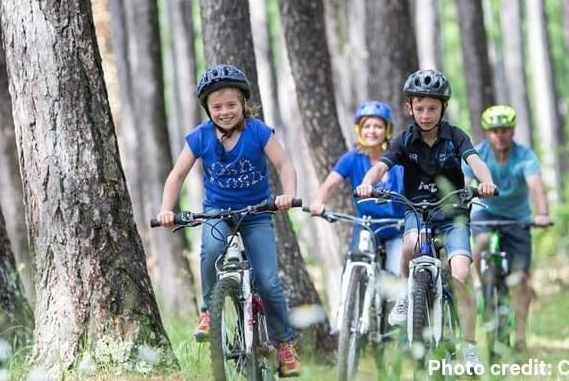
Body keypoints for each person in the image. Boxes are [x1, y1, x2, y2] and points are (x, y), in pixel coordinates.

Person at [155, 64, 300, 376]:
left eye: (232, 105)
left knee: (268, 281)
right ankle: (209, 311)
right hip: (218, 212)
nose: (225, 112)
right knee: (210, 251)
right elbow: (176, 175)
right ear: (207, 108)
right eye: (217, 106)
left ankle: (285, 345)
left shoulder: (258, 131)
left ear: (243, 104)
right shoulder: (200, 137)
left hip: (257, 213)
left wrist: (287, 194)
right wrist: (167, 209)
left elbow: (285, 163)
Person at [355, 69, 497, 370]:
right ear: (410, 108)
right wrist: (368, 183)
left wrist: (486, 182)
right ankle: (408, 295)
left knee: (460, 273)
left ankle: (470, 348)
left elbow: (475, 161)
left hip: (453, 214)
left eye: (432, 108)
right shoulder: (405, 139)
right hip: (417, 212)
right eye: (420, 108)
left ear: (443, 108)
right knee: (408, 246)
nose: (426, 114)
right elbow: (382, 166)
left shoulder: (455, 136)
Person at [462, 104, 551, 356]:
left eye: (505, 130)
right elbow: (464, 184)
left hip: (517, 218)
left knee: (520, 280)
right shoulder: (477, 154)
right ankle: (483, 283)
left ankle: (520, 335)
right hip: (485, 213)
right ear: (487, 133)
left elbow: (536, 187)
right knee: (480, 242)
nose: (499, 135)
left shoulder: (524, 156)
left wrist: (542, 214)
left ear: (512, 131)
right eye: (494, 130)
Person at [309, 101, 405, 275]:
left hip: (398, 226)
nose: (372, 131)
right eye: (367, 126)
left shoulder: (399, 158)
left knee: (397, 274)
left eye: (378, 126)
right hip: (367, 224)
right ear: (359, 130)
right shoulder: (352, 158)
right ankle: (350, 301)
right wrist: (318, 202)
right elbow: (329, 185)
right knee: (355, 266)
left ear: (387, 130)